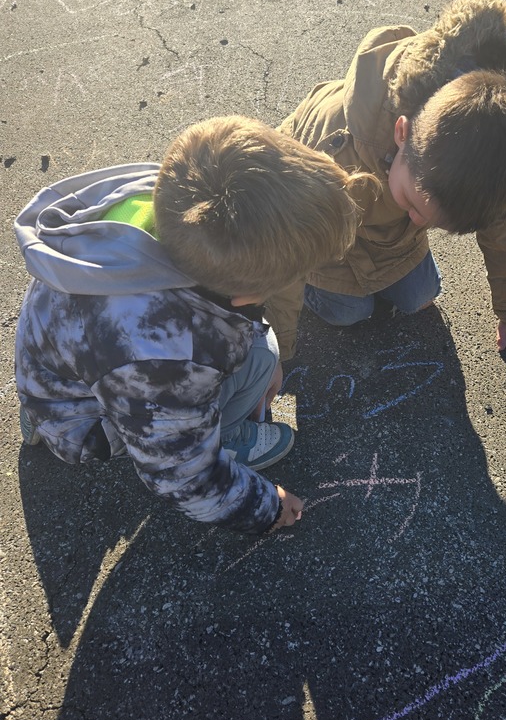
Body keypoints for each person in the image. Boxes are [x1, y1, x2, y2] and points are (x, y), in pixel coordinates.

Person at [14, 115, 359, 536]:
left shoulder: (165, 204)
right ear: (248, 296)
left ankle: (39, 412)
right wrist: (263, 506)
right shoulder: (163, 357)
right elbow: (181, 475)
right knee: (259, 359)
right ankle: (227, 440)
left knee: (258, 354)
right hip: (87, 423)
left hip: (52, 373)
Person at [267, 0, 506, 368]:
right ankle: (323, 287)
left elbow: (502, 225)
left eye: (435, 221)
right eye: (415, 204)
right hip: (321, 230)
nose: (420, 221)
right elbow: (290, 239)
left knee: (420, 296)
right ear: (401, 132)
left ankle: (383, 250)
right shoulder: (336, 150)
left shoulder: (488, 149)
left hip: (383, 222)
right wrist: (276, 352)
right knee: (349, 312)